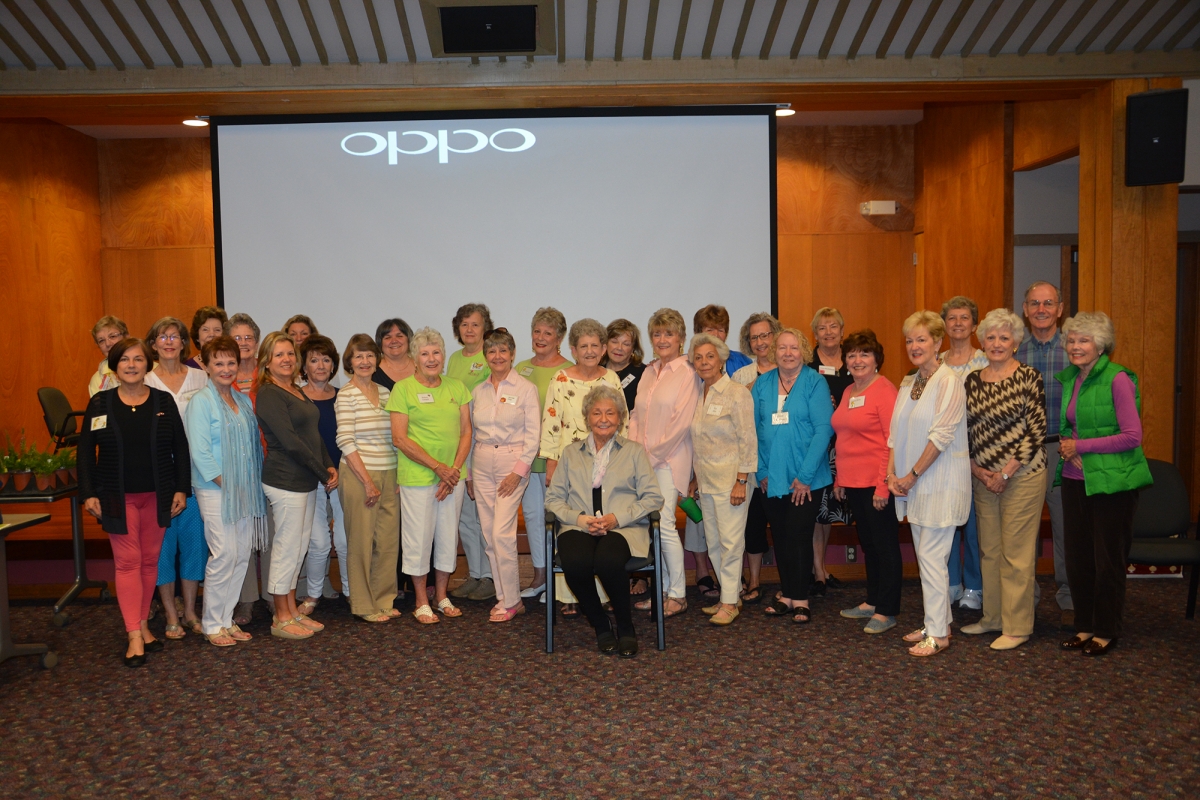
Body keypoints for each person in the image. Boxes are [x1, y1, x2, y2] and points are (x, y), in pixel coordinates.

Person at [78, 338, 190, 667]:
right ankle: (134, 635)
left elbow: (180, 448)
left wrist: (182, 488)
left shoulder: (163, 401)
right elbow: (85, 452)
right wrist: (88, 492)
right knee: (128, 562)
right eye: (124, 359)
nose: (131, 364)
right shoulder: (100, 404)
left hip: (158, 496)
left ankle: (142, 623)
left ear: (148, 364)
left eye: (138, 359)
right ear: (115, 366)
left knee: (149, 563)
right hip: (115, 497)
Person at [1056, 312, 1152, 657]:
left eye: (1083, 340)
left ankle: (1107, 629)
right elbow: (1071, 425)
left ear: (1100, 346)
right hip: (1074, 479)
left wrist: (1080, 447)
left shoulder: (1118, 379)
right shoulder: (1072, 378)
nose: (1075, 346)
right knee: (1078, 559)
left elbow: (1132, 436)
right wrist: (1070, 446)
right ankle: (1084, 625)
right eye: (1071, 340)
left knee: (1107, 560)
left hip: (1114, 484)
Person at [545, 385, 664, 658]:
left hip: (623, 528)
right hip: (578, 526)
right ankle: (600, 624)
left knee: (608, 561)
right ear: (587, 417)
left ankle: (625, 627)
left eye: (610, 413)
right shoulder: (571, 452)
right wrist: (580, 519)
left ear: (620, 418)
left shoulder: (634, 452)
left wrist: (615, 518)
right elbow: (552, 500)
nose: (603, 418)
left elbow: (653, 498)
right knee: (575, 561)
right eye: (597, 412)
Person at [962, 309, 1047, 651]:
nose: (997, 343)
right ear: (981, 342)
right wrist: (977, 470)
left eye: (1004, 337)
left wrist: (1006, 471)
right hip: (984, 477)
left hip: (1022, 475)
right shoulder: (973, 380)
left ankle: (1017, 626)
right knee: (990, 551)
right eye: (991, 337)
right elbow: (965, 431)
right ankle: (993, 618)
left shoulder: (1029, 376)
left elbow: (1036, 430)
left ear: (1015, 343)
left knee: (1017, 554)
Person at [888, 311, 971, 657]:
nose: (914, 346)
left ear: (938, 342)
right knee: (927, 558)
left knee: (933, 558)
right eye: (909, 340)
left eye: (922, 339)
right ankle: (935, 621)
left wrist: (911, 476)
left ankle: (938, 634)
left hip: (939, 483)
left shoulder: (949, 381)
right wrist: (893, 474)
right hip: (914, 485)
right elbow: (895, 435)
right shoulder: (910, 383)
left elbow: (940, 436)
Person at [255, 331, 338, 640]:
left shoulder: (294, 389)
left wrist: (328, 463)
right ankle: (280, 617)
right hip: (285, 480)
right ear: (267, 361)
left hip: (305, 479)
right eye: (279, 355)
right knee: (286, 548)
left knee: (299, 547)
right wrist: (322, 471)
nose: (287, 359)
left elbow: (312, 435)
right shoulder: (269, 393)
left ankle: (291, 611)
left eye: (290, 353)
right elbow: (290, 441)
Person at [387, 327, 472, 624]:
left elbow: (466, 432)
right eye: (425, 353)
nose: (431, 358)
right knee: (418, 540)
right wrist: (438, 468)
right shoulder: (403, 389)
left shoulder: (457, 387)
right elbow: (400, 438)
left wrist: (453, 472)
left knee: (448, 537)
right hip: (418, 478)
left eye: (436, 352)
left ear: (443, 356)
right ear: (415, 358)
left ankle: (442, 595)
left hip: (453, 478)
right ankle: (421, 600)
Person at [186, 336, 267, 646]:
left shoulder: (243, 399)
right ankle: (211, 623)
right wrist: (227, 483)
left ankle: (226, 618)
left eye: (231, 362)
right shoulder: (200, 402)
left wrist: (246, 484)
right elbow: (201, 452)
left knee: (242, 554)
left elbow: (252, 447)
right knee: (224, 554)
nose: (226, 368)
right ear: (205, 365)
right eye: (218, 362)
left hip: (245, 490)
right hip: (216, 489)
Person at [540, 318, 624, 615]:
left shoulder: (611, 379)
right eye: (583, 346)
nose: (589, 351)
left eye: (594, 345)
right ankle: (573, 595)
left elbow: (620, 420)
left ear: (603, 349)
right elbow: (551, 422)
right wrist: (551, 463)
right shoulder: (560, 379)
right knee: (575, 524)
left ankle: (606, 592)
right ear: (573, 349)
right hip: (570, 466)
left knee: (603, 524)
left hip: (607, 463)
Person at [752, 327, 833, 624]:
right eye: (782, 348)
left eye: (794, 348)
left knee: (799, 535)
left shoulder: (815, 382)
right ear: (774, 351)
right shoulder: (762, 385)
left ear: (803, 352)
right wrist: (761, 470)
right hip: (771, 476)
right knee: (782, 536)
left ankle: (800, 598)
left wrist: (805, 476)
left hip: (806, 478)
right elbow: (755, 431)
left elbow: (824, 429)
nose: (788, 353)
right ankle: (786, 593)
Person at [629, 308, 699, 619]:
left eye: (669, 333)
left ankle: (679, 594)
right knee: (652, 526)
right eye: (657, 334)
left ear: (682, 338)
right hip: (643, 462)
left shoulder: (688, 372)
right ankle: (663, 592)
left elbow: (681, 424)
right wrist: (633, 454)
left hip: (670, 462)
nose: (662, 339)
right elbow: (635, 415)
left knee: (666, 524)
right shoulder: (648, 371)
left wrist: (648, 457)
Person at [832, 330, 901, 635]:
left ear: (876, 359)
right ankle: (873, 601)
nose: (857, 360)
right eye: (852, 355)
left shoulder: (884, 390)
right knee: (870, 545)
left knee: (885, 547)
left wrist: (883, 485)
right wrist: (841, 479)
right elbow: (846, 439)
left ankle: (887, 610)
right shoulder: (849, 391)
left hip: (876, 483)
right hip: (854, 483)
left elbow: (892, 441)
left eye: (864, 354)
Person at [144, 317, 209, 640]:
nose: (169, 341)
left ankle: (191, 611)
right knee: (163, 548)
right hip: (156, 477)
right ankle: (170, 613)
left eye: (175, 336)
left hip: (197, 474)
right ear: (153, 344)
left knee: (195, 545)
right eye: (162, 336)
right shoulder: (142, 380)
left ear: (185, 342)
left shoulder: (202, 377)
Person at [1015, 281, 1074, 628]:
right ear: (1025, 309)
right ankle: (1027, 600)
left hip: (1062, 448)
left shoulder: (1075, 348)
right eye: (1034, 303)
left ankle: (1068, 599)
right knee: (1024, 531)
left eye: (1048, 303)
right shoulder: (1014, 349)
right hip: (1022, 451)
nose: (1041, 309)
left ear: (1060, 309)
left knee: (1067, 527)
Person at [471, 328, 540, 622]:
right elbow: (472, 434)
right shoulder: (478, 391)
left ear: (512, 353)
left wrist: (518, 472)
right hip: (481, 462)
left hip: (512, 463)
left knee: (501, 533)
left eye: (503, 350)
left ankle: (513, 600)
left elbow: (534, 437)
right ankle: (503, 596)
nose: (497, 356)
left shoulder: (526, 388)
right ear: (485, 356)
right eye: (491, 351)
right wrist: (470, 476)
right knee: (489, 535)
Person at [687, 334, 756, 626]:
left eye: (710, 356)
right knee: (714, 541)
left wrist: (742, 479)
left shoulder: (737, 393)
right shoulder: (699, 393)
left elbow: (748, 440)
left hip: (732, 482)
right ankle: (731, 595)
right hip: (707, 480)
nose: (704, 362)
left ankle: (729, 602)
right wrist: (694, 479)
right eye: (698, 357)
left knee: (730, 542)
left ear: (722, 360)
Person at [335, 334, 400, 623]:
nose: (364, 361)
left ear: (377, 360)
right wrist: (367, 482)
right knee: (361, 542)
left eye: (369, 356)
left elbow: (395, 437)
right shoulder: (346, 395)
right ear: (350, 362)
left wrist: (396, 476)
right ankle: (363, 605)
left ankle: (384, 600)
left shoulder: (386, 393)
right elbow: (345, 441)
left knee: (387, 541)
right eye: (358, 356)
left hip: (389, 472)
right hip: (359, 475)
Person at [513, 308, 572, 601]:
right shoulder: (520, 367)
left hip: (558, 458)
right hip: (526, 457)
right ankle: (539, 575)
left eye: (548, 333)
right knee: (534, 515)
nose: (541, 337)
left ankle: (560, 579)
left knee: (559, 516)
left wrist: (556, 456)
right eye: (537, 331)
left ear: (559, 337)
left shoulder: (569, 370)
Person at [939, 296, 989, 610]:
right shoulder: (936, 361)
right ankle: (951, 582)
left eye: (964, 318)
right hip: (942, 455)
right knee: (946, 522)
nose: (958, 323)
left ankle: (974, 586)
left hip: (976, 453)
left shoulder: (985, 361)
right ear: (944, 325)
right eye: (952, 318)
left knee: (972, 525)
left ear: (974, 325)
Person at [446, 303, 495, 602]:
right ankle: (474, 574)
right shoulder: (452, 358)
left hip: (482, 441)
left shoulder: (490, 355)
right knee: (465, 516)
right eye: (464, 324)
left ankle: (490, 575)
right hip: (456, 442)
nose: (469, 330)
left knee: (483, 515)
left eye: (475, 324)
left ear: (485, 327)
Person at [297, 335, 348, 615]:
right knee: (318, 542)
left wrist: (338, 471)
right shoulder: (295, 397)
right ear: (304, 366)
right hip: (309, 479)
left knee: (344, 539)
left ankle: (352, 592)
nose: (320, 365)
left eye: (326, 359)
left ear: (334, 365)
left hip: (343, 478)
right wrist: (321, 471)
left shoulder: (344, 398)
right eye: (314, 359)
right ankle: (313, 595)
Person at [732, 312, 781, 602]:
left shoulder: (790, 369)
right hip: (752, 463)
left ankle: (792, 583)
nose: (760, 342)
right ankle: (753, 582)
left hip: (784, 462)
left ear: (775, 335)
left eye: (765, 335)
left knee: (785, 526)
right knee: (752, 527)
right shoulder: (742, 376)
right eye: (754, 338)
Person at [809, 307, 853, 596]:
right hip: (818, 444)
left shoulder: (852, 360)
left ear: (841, 330)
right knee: (815, 511)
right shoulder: (807, 365)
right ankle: (817, 571)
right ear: (815, 334)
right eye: (822, 328)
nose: (828, 332)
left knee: (829, 513)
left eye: (833, 326)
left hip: (847, 445)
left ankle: (820, 567)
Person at [603, 318, 646, 418]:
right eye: (614, 341)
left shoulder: (643, 373)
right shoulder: (595, 370)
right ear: (605, 344)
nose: (619, 348)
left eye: (626, 344)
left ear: (633, 349)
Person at [694, 304, 752, 377]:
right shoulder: (689, 365)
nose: (716, 335)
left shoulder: (742, 361)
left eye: (720, 330)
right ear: (698, 333)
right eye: (710, 330)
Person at [371, 318, 416, 390]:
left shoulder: (422, 367)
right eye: (388, 337)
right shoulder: (371, 371)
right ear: (380, 343)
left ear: (409, 340)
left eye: (399, 336)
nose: (394, 341)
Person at [88, 315, 128, 396]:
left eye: (112, 336)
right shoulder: (97, 380)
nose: (108, 344)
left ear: (126, 337)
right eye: (101, 341)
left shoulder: (151, 369)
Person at [227, 313, 261, 396]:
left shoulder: (268, 372)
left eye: (248, 338)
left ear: (256, 344)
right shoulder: (223, 374)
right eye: (237, 338)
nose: (243, 343)